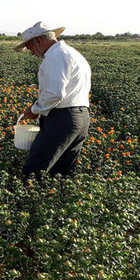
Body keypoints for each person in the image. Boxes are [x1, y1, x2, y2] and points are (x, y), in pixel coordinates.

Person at [16, 21, 92, 179]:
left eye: (30, 47)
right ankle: (54, 199)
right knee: (62, 170)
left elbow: (55, 93)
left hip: (62, 118)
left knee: (36, 166)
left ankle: (25, 202)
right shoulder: (72, 53)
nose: (32, 53)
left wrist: (35, 109)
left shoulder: (55, 56)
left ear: (39, 41)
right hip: (81, 117)